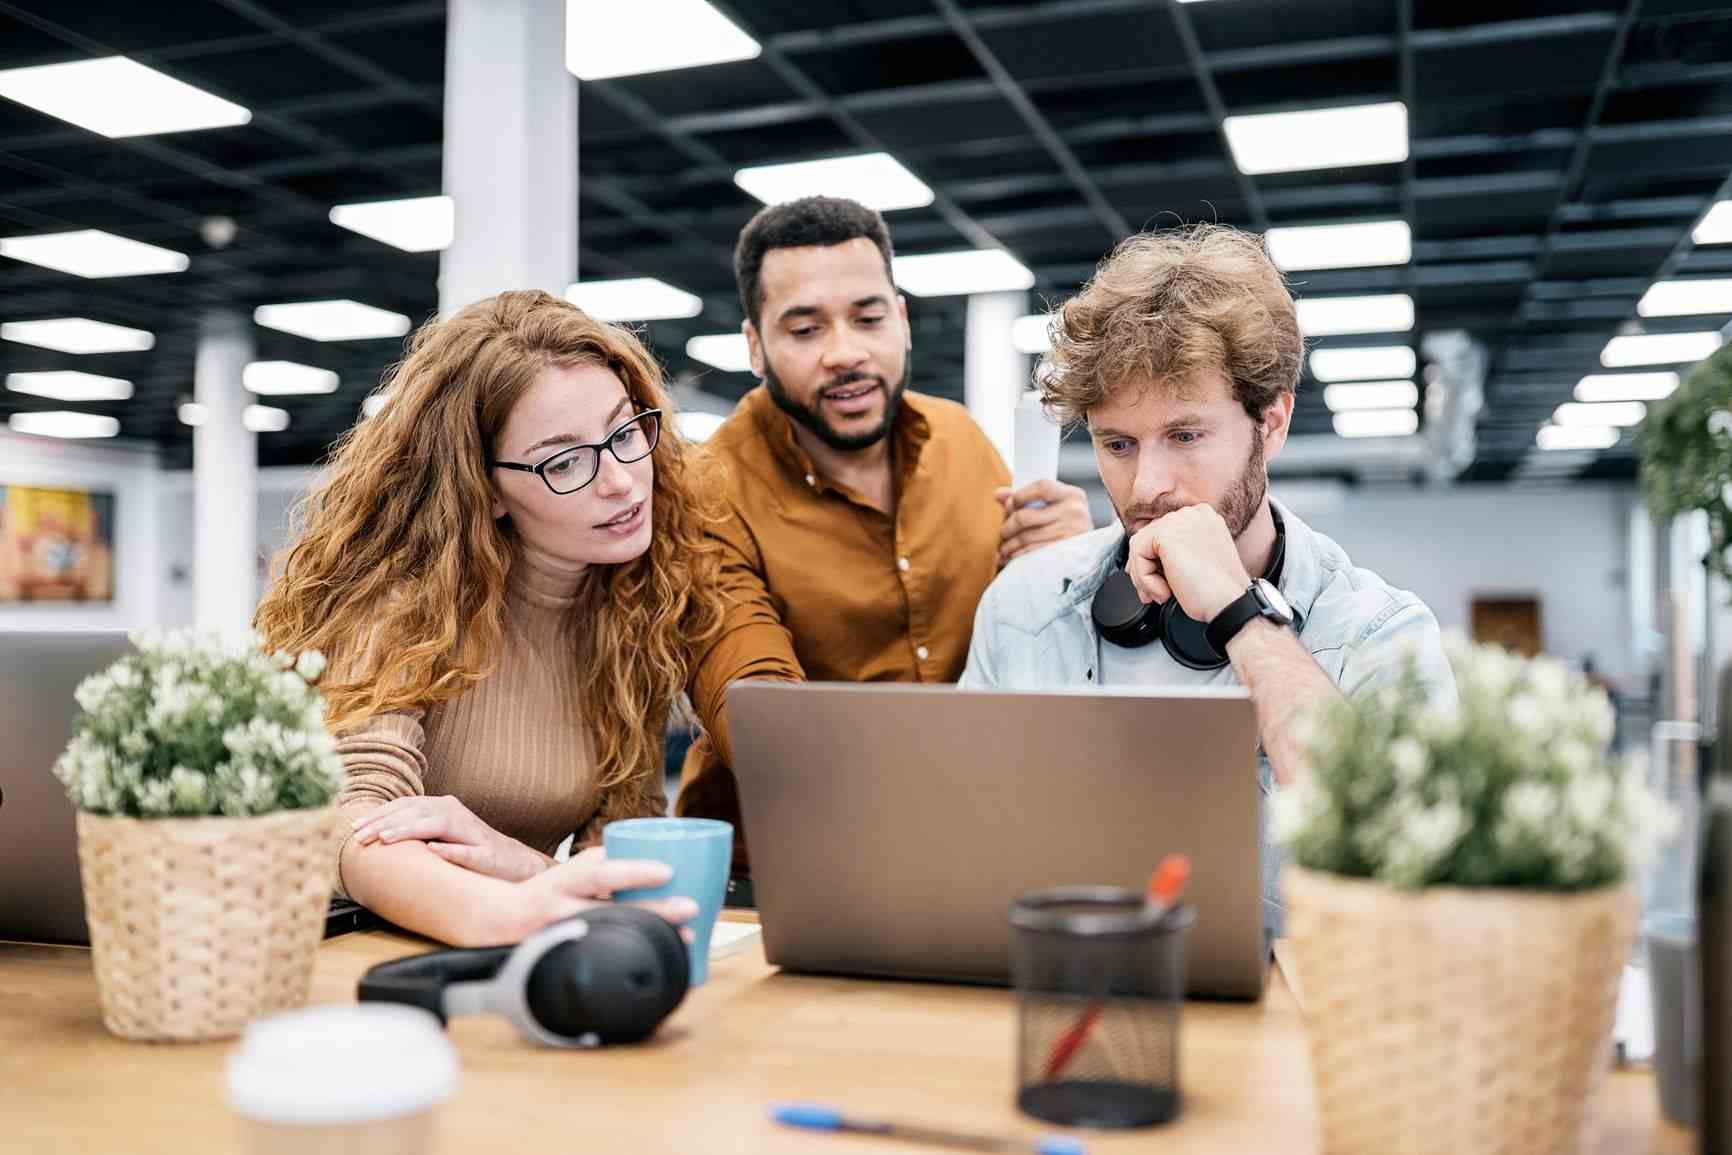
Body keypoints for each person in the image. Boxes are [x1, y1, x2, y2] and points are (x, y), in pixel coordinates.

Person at [959, 225, 1456, 929]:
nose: (1148, 485)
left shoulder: (1381, 637)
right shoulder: (1023, 606)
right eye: (1117, 444)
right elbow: (962, 848)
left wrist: (1240, 615)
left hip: (1290, 1028)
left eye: (1185, 435)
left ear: (1272, 421)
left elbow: (1410, 872)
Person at [254, 290, 724, 947]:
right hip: (370, 960)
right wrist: (504, 909)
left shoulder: (633, 613)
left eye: (624, 432)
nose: (619, 479)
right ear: (486, 486)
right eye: (565, 460)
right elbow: (351, 821)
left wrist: (522, 868)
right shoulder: (402, 606)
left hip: (528, 961)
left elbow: (607, 866)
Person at [675, 196, 1096, 867]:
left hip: (971, 841)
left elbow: (1026, 644)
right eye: (805, 330)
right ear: (755, 346)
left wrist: (1073, 567)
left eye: (867, 318)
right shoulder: (707, 490)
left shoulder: (959, 439)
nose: (845, 354)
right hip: (785, 864)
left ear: (900, 320)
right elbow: (752, 701)